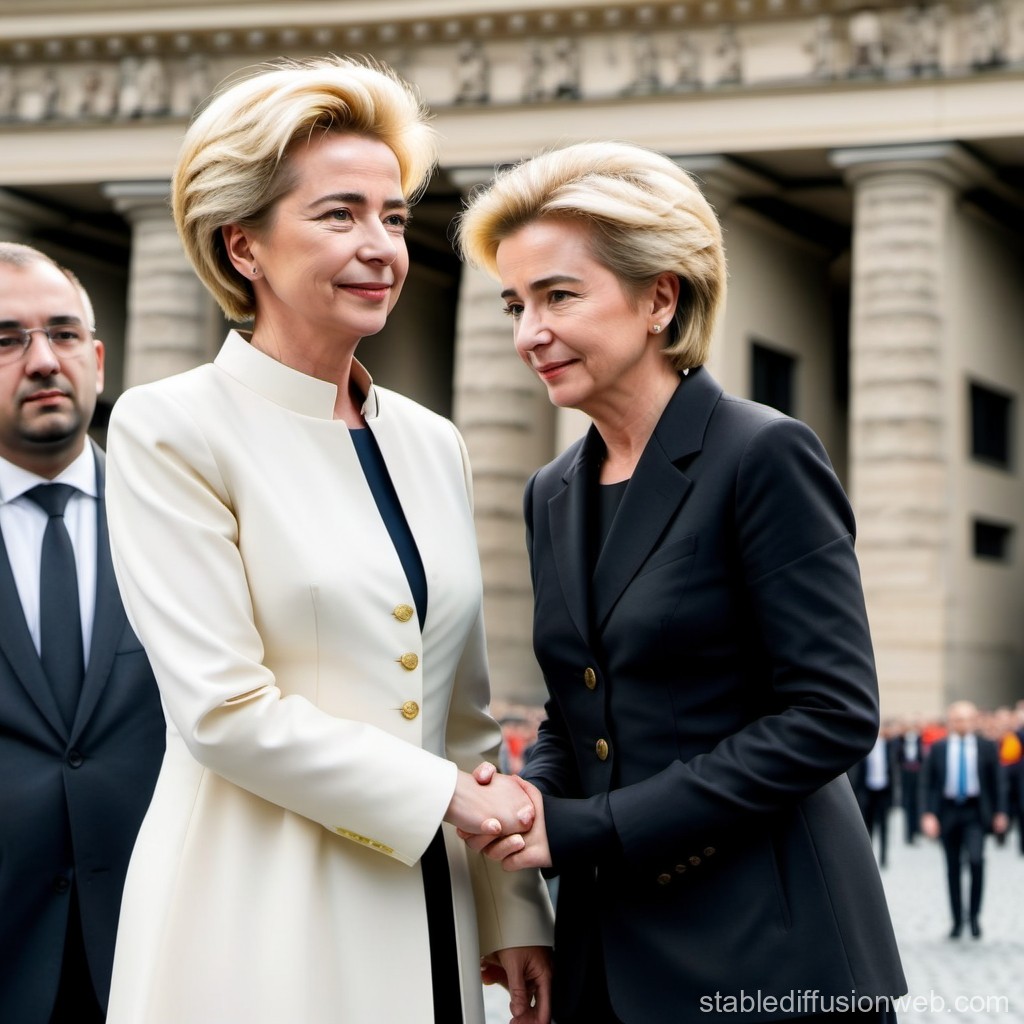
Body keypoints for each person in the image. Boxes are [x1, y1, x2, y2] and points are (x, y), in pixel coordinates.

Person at [102, 56, 553, 1024]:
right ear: (243, 246)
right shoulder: (168, 425)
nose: (380, 245)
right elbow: (222, 709)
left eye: (392, 216)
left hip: (431, 912)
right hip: (255, 915)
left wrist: (513, 907)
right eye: (339, 214)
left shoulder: (434, 442)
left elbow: (462, 714)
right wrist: (446, 798)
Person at [455, 140, 906, 1023]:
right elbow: (579, 708)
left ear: (661, 296)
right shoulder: (551, 492)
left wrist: (587, 827)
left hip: (771, 954)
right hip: (608, 955)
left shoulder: (763, 454)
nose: (528, 334)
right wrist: (527, 800)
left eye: (558, 295)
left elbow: (832, 714)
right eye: (516, 304)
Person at [0, 242, 164, 1023]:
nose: (42, 361)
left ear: (97, 357)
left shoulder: (180, 520)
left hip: (160, 962)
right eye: (5, 340)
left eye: (63, 335)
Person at [921, 699, 1008, 938]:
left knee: (977, 860)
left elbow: (997, 781)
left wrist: (1001, 812)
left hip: (975, 812)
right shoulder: (938, 748)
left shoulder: (987, 746)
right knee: (952, 867)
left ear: (974, 720)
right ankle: (957, 920)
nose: (963, 723)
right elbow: (928, 783)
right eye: (958, 719)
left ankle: (975, 918)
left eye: (968, 719)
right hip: (948, 812)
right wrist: (928, 814)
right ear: (951, 721)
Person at [849, 724, 898, 866]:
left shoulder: (889, 746)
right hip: (866, 791)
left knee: (884, 826)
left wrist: (893, 796)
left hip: (883, 791)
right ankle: (868, 858)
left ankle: (884, 857)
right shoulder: (864, 746)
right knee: (866, 826)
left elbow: (893, 771)